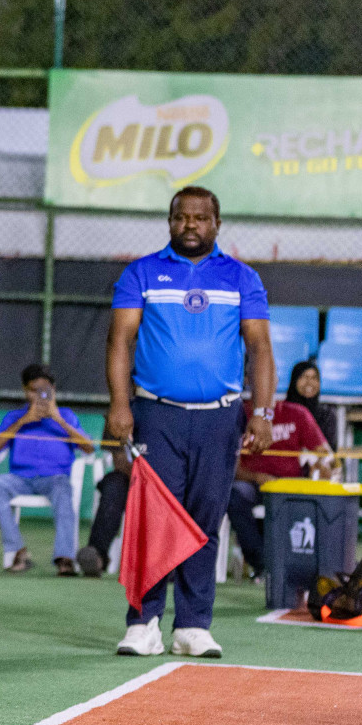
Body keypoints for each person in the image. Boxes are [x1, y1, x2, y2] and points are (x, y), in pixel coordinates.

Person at [107, 186, 273, 659]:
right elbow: (120, 341)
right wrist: (120, 404)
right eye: (182, 217)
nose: (191, 225)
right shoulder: (141, 272)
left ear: (217, 223)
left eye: (201, 218)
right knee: (153, 520)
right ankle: (144, 622)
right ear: (170, 221)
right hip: (155, 415)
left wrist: (262, 412)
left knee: (204, 521)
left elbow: (260, 348)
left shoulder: (241, 278)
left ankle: (194, 626)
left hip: (220, 418)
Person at [0, 363, 95, 575]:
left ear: (53, 389)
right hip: (20, 478)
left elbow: (89, 449)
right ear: (26, 392)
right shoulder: (14, 417)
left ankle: (65, 558)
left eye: (45, 390)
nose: (40, 395)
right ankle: (18, 551)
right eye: (34, 391)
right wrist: (23, 421)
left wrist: (58, 419)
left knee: (63, 491)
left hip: (55, 478)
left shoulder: (66, 415)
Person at [228, 388, 333, 577]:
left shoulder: (297, 413)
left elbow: (326, 454)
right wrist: (257, 477)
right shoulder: (238, 414)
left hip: (290, 485)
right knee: (234, 495)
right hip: (253, 483)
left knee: (316, 498)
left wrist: (321, 464)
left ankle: (312, 565)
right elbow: (230, 467)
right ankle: (263, 563)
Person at [77, 445, 131, 578]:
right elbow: (119, 460)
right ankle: (96, 555)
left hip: (168, 479)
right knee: (113, 487)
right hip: (129, 475)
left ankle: (172, 560)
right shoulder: (118, 423)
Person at [285, 360, 341, 451]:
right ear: (294, 380)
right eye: (303, 377)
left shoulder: (326, 415)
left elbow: (329, 451)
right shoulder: (282, 412)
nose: (309, 382)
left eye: (314, 378)